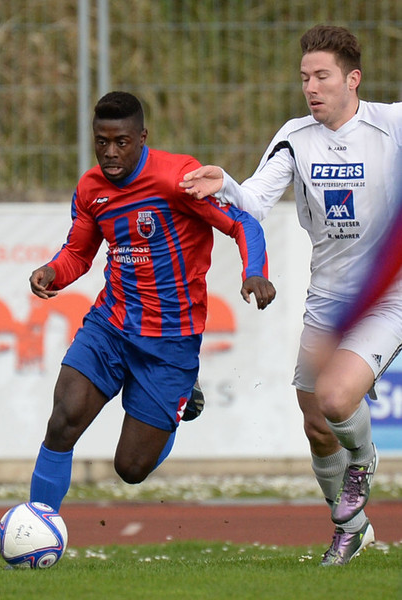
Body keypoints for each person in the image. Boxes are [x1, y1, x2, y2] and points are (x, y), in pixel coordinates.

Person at [180, 25, 402, 566]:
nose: (311, 88)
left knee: (336, 400)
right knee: (317, 426)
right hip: (328, 299)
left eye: (322, 76)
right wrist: (225, 183)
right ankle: (351, 529)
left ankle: (364, 459)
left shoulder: (392, 125)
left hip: (387, 297)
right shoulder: (295, 137)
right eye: (305, 78)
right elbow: (255, 201)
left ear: (353, 79)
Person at [28, 91, 276, 514]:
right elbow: (79, 252)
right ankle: (36, 528)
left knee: (131, 468)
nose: (110, 152)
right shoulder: (90, 189)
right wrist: (53, 271)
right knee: (64, 418)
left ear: (142, 138)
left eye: (121, 142)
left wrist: (254, 271)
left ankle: (181, 404)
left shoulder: (178, 178)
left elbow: (242, 223)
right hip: (110, 326)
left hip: (170, 339)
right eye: (101, 142)